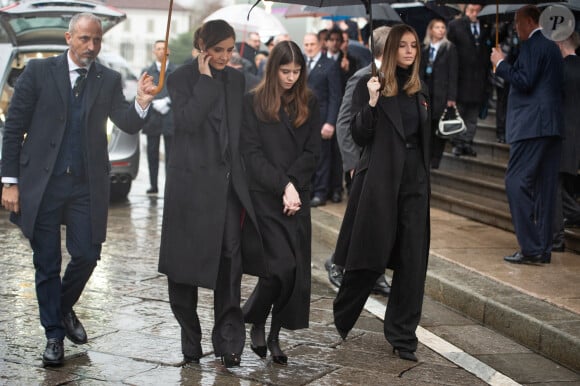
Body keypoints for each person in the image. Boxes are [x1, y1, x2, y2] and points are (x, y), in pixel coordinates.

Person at [0, 13, 155, 366]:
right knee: (47, 263)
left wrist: (142, 101)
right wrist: (10, 181)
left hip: (86, 185)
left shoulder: (108, 78)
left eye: (97, 40)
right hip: (42, 184)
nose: (91, 47)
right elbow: (13, 130)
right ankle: (54, 336)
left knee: (87, 254)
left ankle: (63, 306)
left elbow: (127, 121)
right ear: (69, 38)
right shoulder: (39, 73)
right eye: (85, 39)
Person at [157, 20, 265, 369]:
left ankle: (229, 342)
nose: (224, 56)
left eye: (229, 49)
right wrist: (204, 81)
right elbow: (186, 123)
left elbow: (245, 131)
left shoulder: (237, 81)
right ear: (202, 47)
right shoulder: (179, 78)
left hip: (227, 191)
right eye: (217, 50)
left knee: (230, 265)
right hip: (189, 191)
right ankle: (191, 341)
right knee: (183, 271)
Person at [332, 24, 431, 362]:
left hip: (414, 183)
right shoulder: (369, 82)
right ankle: (344, 312)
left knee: (412, 260)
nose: (409, 51)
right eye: (402, 46)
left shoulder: (420, 89)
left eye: (413, 45)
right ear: (390, 50)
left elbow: (424, 138)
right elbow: (358, 134)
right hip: (379, 181)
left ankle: (403, 337)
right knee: (368, 256)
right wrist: (372, 101)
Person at [241, 41, 321, 365]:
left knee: (294, 272)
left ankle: (273, 333)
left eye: (296, 71)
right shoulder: (254, 101)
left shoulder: (310, 101)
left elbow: (314, 152)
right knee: (278, 268)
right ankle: (256, 320)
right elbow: (251, 153)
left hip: (297, 198)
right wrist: (282, 185)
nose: (291, 77)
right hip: (266, 196)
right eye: (285, 71)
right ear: (273, 70)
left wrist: (293, 187)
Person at [491, 5, 563, 264]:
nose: (514, 26)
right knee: (544, 189)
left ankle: (532, 247)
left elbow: (525, 80)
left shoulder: (535, 44)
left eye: (517, 21)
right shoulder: (551, 45)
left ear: (530, 21)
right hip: (550, 126)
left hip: (532, 125)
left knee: (515, 182)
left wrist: (500, 64)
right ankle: (542, 249)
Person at [326, 26, 392, 297]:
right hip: (363, 161)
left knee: (382, 222)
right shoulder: (362, 77)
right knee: (358, 219)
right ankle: (338, 264)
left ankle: (375, 273)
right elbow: (344, 121)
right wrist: (352, 163)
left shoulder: (400, 78)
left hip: (387, 161)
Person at [303, 32, 343, 207]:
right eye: (306, 45)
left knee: (323, 158)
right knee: (308, 156)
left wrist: (330, 122)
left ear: (319, 45)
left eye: (312, 44)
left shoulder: (330, 65)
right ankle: (310, 190)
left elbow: (335, 96)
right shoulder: (301, 64)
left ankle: (321, 192)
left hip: (323, 120)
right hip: (303, 120)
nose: (309, 48)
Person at [447, 3, 491, 157]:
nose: (474, 14)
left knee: (472, 116)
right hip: (460, 78)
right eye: (471, 11)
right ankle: (458, 143)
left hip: (478, 80)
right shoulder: (455, 26)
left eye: (477, 11)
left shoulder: (485, 27)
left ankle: (467, 142)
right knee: (460, 113)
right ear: (466, 10)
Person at [553, 32, 580, 250]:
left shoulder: (560, 70)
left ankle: (557, 238)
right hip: (575, 137)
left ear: (561, 43)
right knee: (564, 185)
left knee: (555, 186)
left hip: (561, 135)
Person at [419, 18, 458, 169]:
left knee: (439, 127)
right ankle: (426, 157)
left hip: (442, 94)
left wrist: (451, 97)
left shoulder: (449, 48)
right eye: (437, 27)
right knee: (426, 126)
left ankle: (436, 158)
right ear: (431, 30)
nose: (441, 30)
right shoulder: (425, 48)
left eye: (443, 27)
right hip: (427, 93)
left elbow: (453, 74)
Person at [141, 40, 177, 194]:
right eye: (158, 49)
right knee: (152, 153)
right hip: (153, 117)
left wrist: (168, 101)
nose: (161, 51)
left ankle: (170, 185)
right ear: (154, 52)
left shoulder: (176, 70)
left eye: (164, 48)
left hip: (170, 115)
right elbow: (143, 90)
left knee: (171, 155)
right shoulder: (147, 71)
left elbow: (181, 90)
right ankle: (153, 184)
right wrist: (154, 102)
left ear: (168, 51)